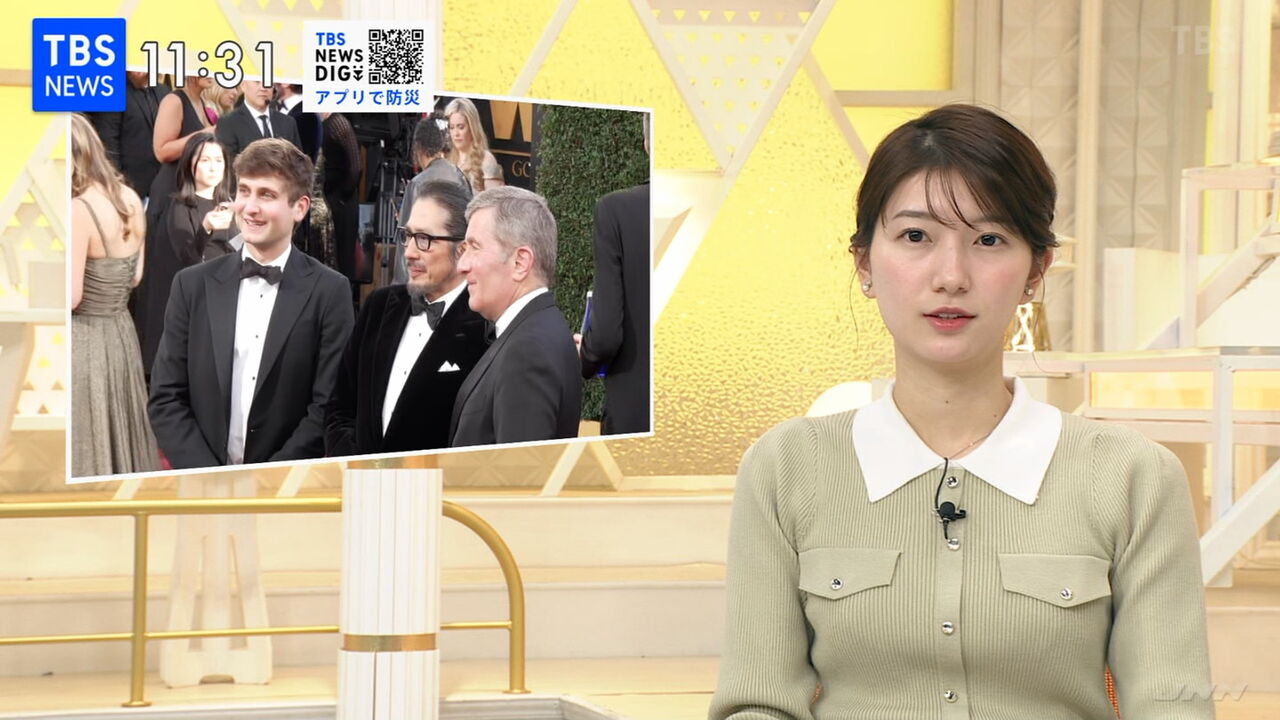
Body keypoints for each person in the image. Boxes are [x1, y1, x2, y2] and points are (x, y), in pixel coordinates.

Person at [709, 104, 1213, 720]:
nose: (951, 276)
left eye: (989, 240)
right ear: (865, 262)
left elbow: (1171, 706)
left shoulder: (1133, 477)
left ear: (1036, 270)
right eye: (916, 237)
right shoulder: (786, 468)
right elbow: (758, 703)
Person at [148, 138, 354, 469]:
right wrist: (212, 479)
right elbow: (166, 397)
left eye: (266, 195)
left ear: (300, 208)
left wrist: (266, 481)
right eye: (244, 191)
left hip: (286, 484)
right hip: (201, 483)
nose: (250, 207)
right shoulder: (191, 285)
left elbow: (328, 406)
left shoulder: (330, 292)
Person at [326, 180, 489, 457]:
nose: (410, 252)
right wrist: (353, 466)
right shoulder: (378, 306)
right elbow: (339, 407)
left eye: (424, 240)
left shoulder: (484, 327)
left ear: (462, 249)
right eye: (408, 235)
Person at [449, 187, 581, 447]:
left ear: (520, 263)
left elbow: (522, 469)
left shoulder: (528, 349)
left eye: (475, 247)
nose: (462, 265)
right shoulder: (535, 332)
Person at [70, 113, 159, 477]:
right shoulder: (131, 198)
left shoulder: (78, 209)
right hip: (122, 334)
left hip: (86, 339)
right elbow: (135, 278)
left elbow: (71, 297)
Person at [134, 74, 216, 372]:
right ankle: (156, 361)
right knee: (165, 280)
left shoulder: (203, 104)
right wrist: (207, 133)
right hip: (171, 198)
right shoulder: (174, 100)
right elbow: (162, 149)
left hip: (193, 198)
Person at [577, 117, 651, 435]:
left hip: (635, 417)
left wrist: (586, 355)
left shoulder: (616, 211)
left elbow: (606, 335)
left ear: (647, 143)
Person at [392, 112, 472, 285]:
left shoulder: (418, 183)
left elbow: (405, 241)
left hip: (424, 264)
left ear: (418, 147)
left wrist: (400, 288)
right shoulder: (460, 177)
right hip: (454, 267)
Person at [89, 71, 170, 203]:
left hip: (161, 188)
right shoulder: (112, 91)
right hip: (127, 189)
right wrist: (118, 187)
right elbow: (108, 144)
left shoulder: (163, 91)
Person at [166, 132, 236, 265]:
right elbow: (187, 258)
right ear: (189, 164)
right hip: (204, 276)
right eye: (205, 160)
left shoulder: (229, 202)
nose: (213, 168)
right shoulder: (181, 205)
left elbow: (240, 247)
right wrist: (205, 229)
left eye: (218, 160)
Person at [215, 78, 302, 164]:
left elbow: (299, 164)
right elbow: (229, 165)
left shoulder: (288, 122)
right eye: (257, 82)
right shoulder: (228, 123)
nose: (263, 87)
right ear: (243, 85)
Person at [445, 98, 504, 194]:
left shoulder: (486, 159)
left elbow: (495, 200)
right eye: (451, 127)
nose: (456, 133)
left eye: (461, 127)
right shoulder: (448, 161)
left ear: (472, 127)